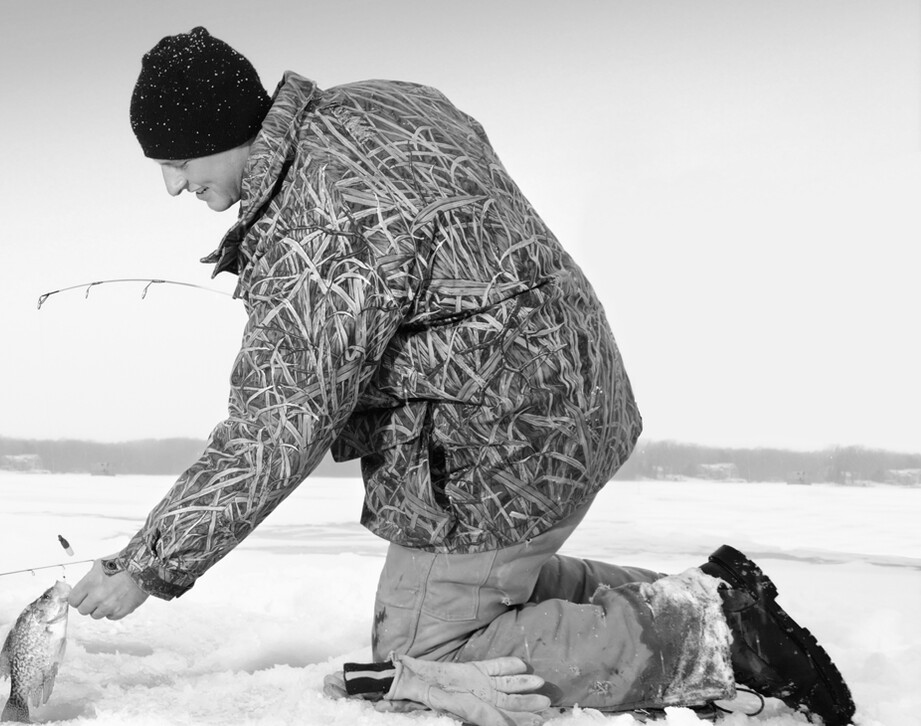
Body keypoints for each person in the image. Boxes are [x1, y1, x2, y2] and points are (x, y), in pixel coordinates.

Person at [66, 27, 855, 726]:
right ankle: (700, 600)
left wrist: (148, 563)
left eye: (177, 162)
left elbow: (277, 423)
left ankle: (714, 635)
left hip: (494, 452)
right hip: (575, 393)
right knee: (482, 591)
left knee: (425, 656)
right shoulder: (383, 103)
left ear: (226, 131)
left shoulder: (316, 227)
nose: (173, 186)